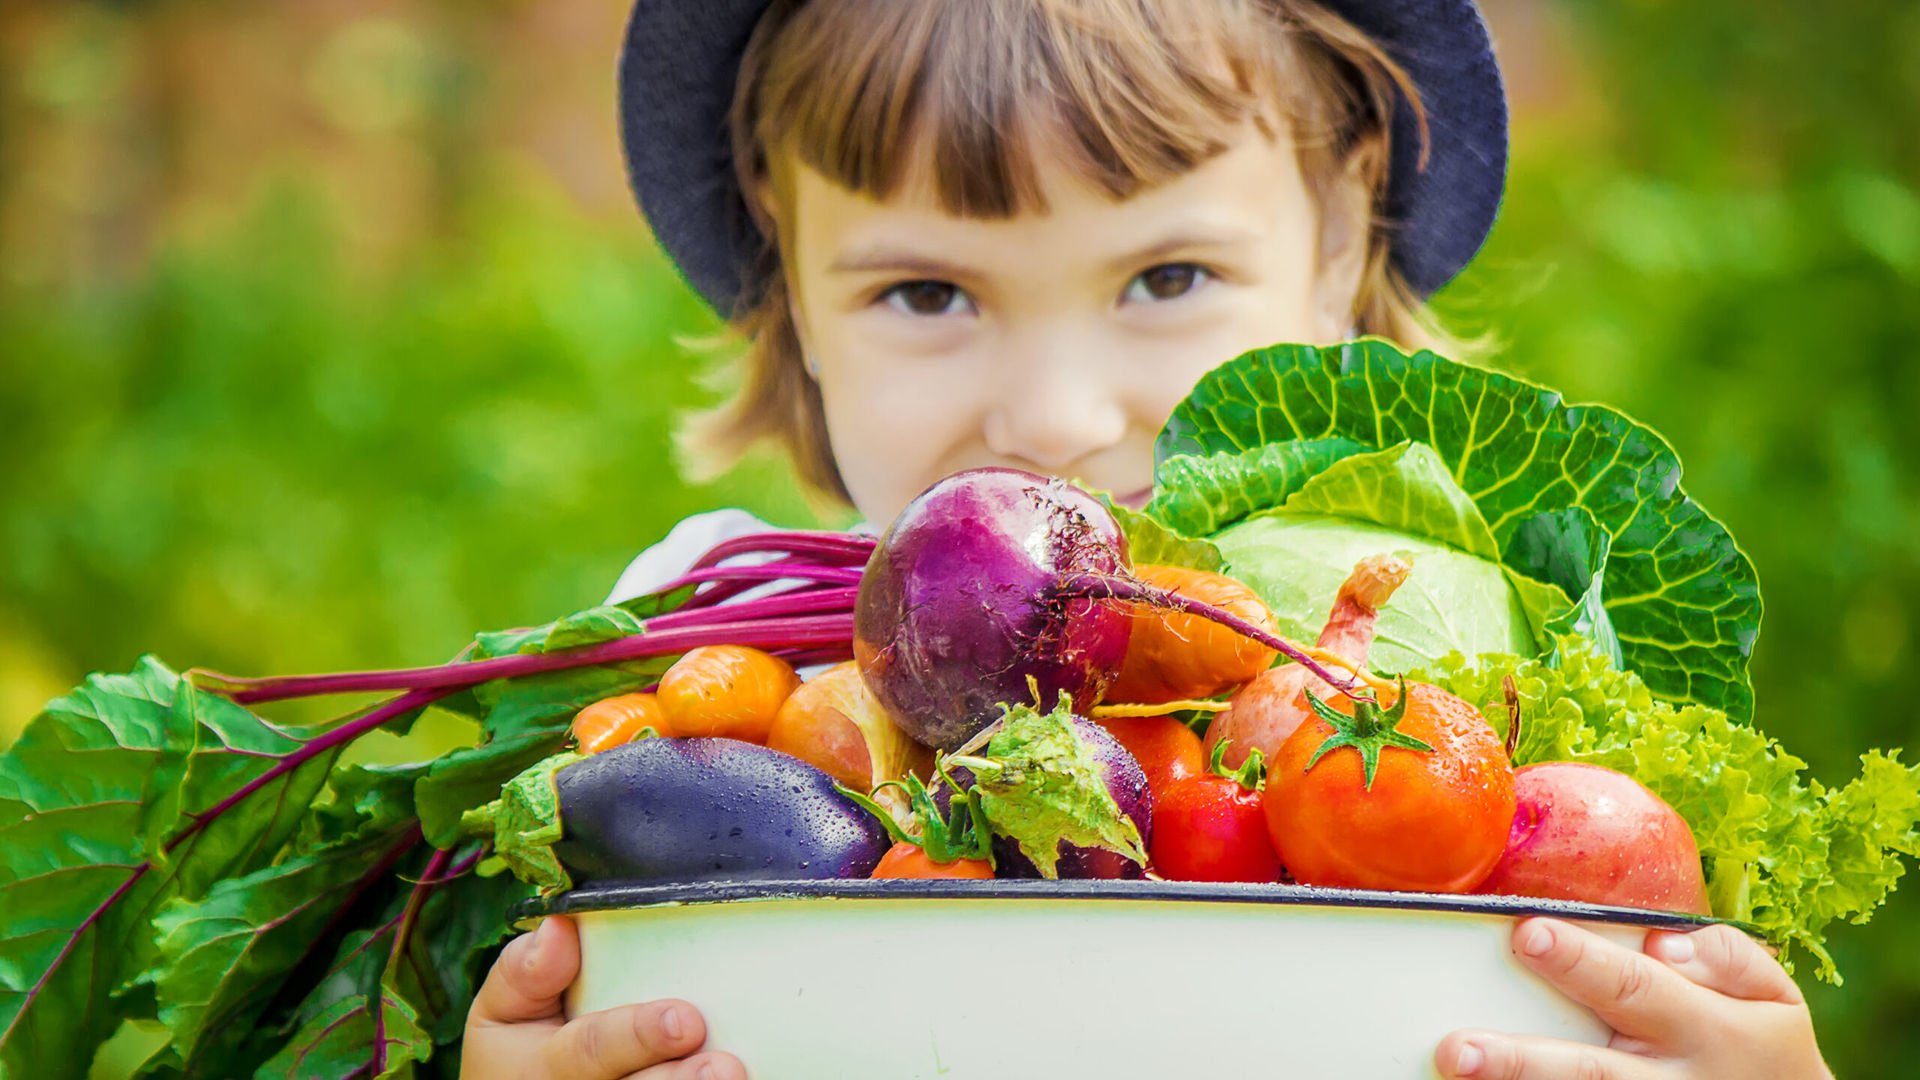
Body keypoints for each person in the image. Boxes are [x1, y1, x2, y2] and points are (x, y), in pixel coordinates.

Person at [462, 1, 1834, 1077]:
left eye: (1166, 277)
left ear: (1345, 233)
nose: (1054, 419)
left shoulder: (1514, 722)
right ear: (793, 276)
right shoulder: (694, 648)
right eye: (926, 290)